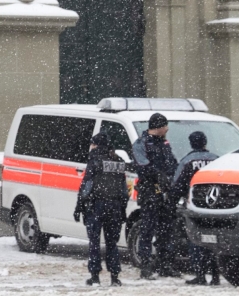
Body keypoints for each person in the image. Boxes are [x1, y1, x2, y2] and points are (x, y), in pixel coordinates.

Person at [73, 132, 129, 287]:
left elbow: (86, 186)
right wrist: (122, 208)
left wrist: (79, 207)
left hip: (96, 206)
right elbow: (124, 190)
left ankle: (95, 276)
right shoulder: (117, 161)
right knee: (112, 243)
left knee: (94, 242)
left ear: (96, 145)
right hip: (115, 207)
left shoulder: (94, 160)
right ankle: (114, 276)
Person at [131, 113, 180, 280]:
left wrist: (173, 179)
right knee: (147, 228)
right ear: (159, 127)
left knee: (166, 229)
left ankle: (165, 264)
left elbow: (172, 163)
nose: (167, 129)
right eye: (165, 126)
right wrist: (158, 174)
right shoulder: (141, 143)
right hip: (150, 191)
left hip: (166, 193)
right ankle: (146, 266)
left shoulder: (164, 143)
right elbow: (142, 165)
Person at [171, 130, 221, 286]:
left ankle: (200, 275)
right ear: (205, 143)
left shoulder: (187, 161)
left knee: (196, 240)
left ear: (191, 143)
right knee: (214, 240)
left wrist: (172, 201)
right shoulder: (217, 160)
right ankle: (215, 275)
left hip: (194, 206)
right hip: (215, 207)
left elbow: (177, 185)